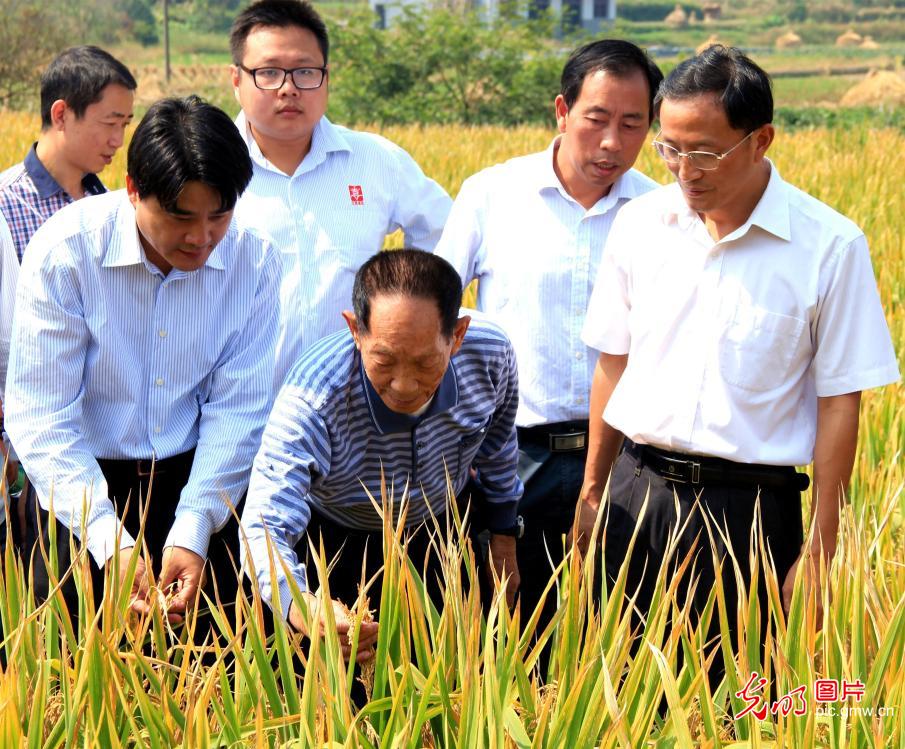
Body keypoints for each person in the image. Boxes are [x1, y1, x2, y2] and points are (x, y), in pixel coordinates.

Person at [576, 46, 899, 671]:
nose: (683, 169)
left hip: (747, 517)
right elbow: (613, 364)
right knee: (613, 694)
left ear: (761, 140)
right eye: (669, 147)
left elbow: (841, 400)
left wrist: (823, 549)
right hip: (633, 497)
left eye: (704, 151)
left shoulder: (829, 246)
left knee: (748, 703)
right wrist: (592, 492)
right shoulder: (640, 225)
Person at [5, 96, 281, 623]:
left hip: (197, 480)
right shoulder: (67, 251)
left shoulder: (255, 260)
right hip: (77, 494)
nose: (201, 238)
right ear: (133, 189)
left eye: (218, 215)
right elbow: (43, 415)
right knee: (72, 675)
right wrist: (110, 541)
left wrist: (196, 525)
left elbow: (239, 408)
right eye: (180, 217)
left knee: (207, 672)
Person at [435, 40, 663, 633]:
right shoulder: (491, 195)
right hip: (510, 457)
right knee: (500, 633)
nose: (613, 142)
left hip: (624, 463)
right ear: (562, 112)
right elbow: (434, 316)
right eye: (597, 119)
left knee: (617, 636)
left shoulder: (663, 214)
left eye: (633, 124)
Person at [241, 250, 522, 663]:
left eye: (426, 363)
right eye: (384, 360)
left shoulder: (490, 355)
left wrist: (503, 538)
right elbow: (263, 524)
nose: (405, 386)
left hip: (438, 535)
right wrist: (303, 605)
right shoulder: (315, 396)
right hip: (336, 542)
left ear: (457, 336)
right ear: (356, 330)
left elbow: (498, 445)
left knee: (453, 680)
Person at [229, 0, 452, 389]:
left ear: (326, 76)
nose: (288, 88)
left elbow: (447, 237)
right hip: (236, 407)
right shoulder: (208, 165)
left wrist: (414, 330)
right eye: (268, 73)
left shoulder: (376, 160)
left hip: (354, 406)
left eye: (305, 72)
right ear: (236, 80)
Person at [0, 45, 136, 262]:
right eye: (110, 123)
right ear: (61, 115)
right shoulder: (6, 206)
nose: (118, 141)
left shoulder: (115, 208)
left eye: (125, 125)